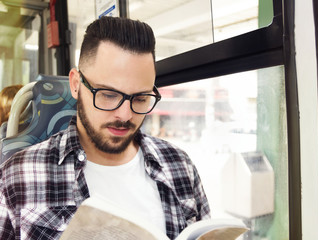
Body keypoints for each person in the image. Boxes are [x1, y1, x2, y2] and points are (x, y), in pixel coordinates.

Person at [0, 17, 210, 240]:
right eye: (109, 95)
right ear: (76, 85)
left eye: (140, 98)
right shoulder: (16, 176)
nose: (125, 115)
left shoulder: (180, 165)